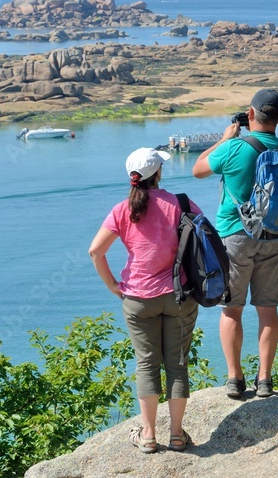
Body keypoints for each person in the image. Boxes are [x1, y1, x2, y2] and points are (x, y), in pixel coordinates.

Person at [88, 147, 200, 453]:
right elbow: (204, 241)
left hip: (137, 298)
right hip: (179, 296)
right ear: (158, 173)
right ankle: (177, 436)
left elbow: (95, 251)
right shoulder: (181, 203)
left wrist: (113, 285)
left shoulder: (122, 209)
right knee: (177, 365)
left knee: (147, 366)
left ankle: (148, 436)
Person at [192, 89, 278, 400]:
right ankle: (264, 380)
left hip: (235, 236)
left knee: (231, 310)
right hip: (275, 236)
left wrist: (226, 138)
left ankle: (234, 378)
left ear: (250, 115)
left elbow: (197, 169)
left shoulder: (234, 148)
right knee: (267, 310)